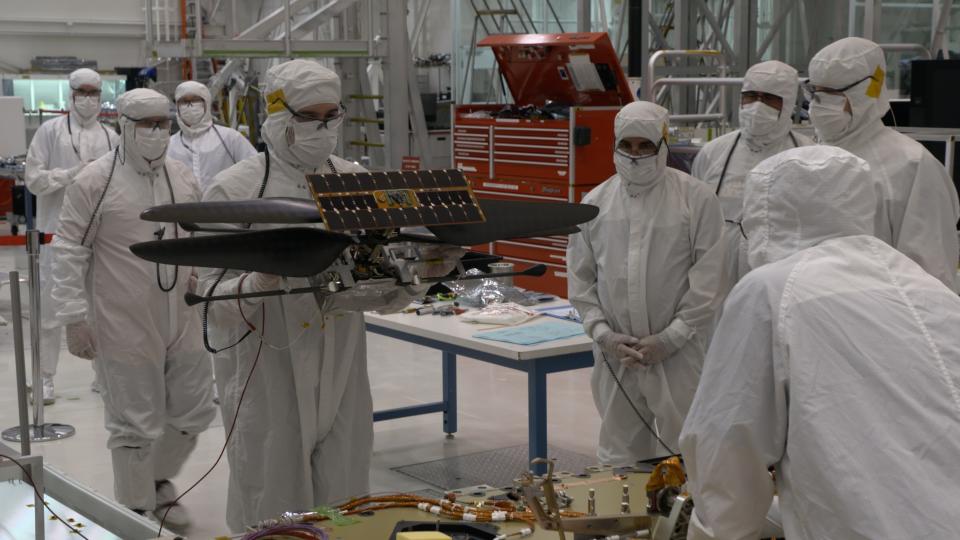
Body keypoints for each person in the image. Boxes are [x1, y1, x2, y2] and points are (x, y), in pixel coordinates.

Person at [198, 59, 462, 532]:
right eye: (308, 117)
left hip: (342, 368)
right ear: (277, 116)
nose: (323, 129)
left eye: (332, 115)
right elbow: (208, 299)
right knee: (273, 506)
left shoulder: (355, 183)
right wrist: (255, 285)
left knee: (347, 503)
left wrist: (417, 275)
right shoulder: (235, 190)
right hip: (267, 375)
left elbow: (374, 286)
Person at [679, 145, 960, 540]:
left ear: (765, 217)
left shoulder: (771, 290)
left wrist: (716, 531)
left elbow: (725, 444)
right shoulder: (924, 285)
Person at [50, 88, 215, 529]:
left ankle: (159, 480)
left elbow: (196, 235)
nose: (157, 133)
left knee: (194, 410)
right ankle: (137, 510)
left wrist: (201, 274)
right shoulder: (94, 181)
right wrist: (73, 318)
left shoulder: (181, 176)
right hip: (121, 318)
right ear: (124, 126)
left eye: (164, 123)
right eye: (147, 125)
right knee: (134, 422)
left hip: (181, 312)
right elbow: (67, 249)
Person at [566, 101, 727, 466]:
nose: (635, 155)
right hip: (615, 356)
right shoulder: (595, 203)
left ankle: (684, 523)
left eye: (645, 146)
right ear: (615, 145)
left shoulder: (695, 198)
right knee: (618, 454)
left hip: (680, 355)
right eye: (627, 145)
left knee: (688, 454)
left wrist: (671, 338)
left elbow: (710, 280)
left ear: (663, 145)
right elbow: (581, 279)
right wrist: (603, 333)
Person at [806, 37, 959, 290]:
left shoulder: (911, 165)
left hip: (881, 312)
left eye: (833, 94)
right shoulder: (808, 156)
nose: (818, 105)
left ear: (868, 91)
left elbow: (931, 272)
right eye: (815, 92)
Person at [25, 67, 118, 404]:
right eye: (83, 93)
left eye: (94, 93)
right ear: (71, 94)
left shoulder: (112, 136)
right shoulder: (50, 132)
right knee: (51, 310)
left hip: (99, 237)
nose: (89, 99)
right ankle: (45, 378)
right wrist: (70, 174)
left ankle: (103, 374)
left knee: (101, 308)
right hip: (57, 236)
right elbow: (33, 179)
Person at [691, 60, 813, 280]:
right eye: (751, 96)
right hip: (719, 272)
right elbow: (694, 217)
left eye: (768, 98)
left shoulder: (809, 155)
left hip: (780, 272)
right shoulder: (713, 153)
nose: (757, 105)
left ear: (787, 104)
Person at [167, 80, 257, 192]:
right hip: (184, 209)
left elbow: (255, 170)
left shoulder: (230, 138)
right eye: (184, 101)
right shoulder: (169, 145)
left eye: (195, 100)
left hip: (224, 207)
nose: (189, 106)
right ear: (177, 106)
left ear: (206, 102)